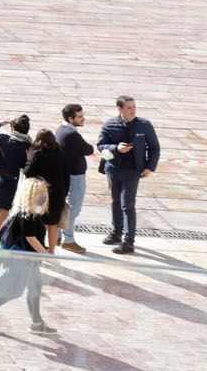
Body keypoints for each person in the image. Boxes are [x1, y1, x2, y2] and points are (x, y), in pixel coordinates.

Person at [0, 175, 56, 336]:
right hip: (21, 260)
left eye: (44, 192)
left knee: (35, 288)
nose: (44, 196)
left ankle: (36, 323)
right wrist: (47, 255)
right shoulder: (27, 215)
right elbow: (31, 238)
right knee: (14, 291)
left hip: (28, 260)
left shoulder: (31, 212)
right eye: (40, 193)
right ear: (29, 195)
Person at [97, 95, 160, 256]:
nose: (133, 110)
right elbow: (100, 145)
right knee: (115, 201)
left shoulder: (144, 125)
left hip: (133, 171)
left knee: (127, 205)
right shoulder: (110, 124)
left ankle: (129, 242)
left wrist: (150, 167)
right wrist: (116, 148)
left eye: (134, 107)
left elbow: (154, 148)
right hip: (113, 169)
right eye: (129, 107)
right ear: (120, 109)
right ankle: (116, 232)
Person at [53, 103, 94, 252]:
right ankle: (68, 240)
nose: (83, 119)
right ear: (71, 118)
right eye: (80, 117)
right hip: (75, 177)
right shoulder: (72, 134)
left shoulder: (61, 129)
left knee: (64, 208)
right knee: (72, 210)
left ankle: (56, 235)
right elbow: (88, 149)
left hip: (65, 175)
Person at [0, 116, 33, 233]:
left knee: (2, 213)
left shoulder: (5, 140)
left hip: (4, 181)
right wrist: (29, 159)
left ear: (13, 128)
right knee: (14, 213)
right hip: (21, 183)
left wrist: (4, 122)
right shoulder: (30, 147)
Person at [23, 127, 69, 248]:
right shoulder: (63, 155)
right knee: (53, 225)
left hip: (41, 195)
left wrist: (29, 159)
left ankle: (41, 248)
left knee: (40, 223)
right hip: (58, 195)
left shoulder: (39, 155)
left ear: (40, 141)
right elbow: (67, 178)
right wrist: (64, 194)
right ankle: (52, 252)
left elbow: (28, 173)